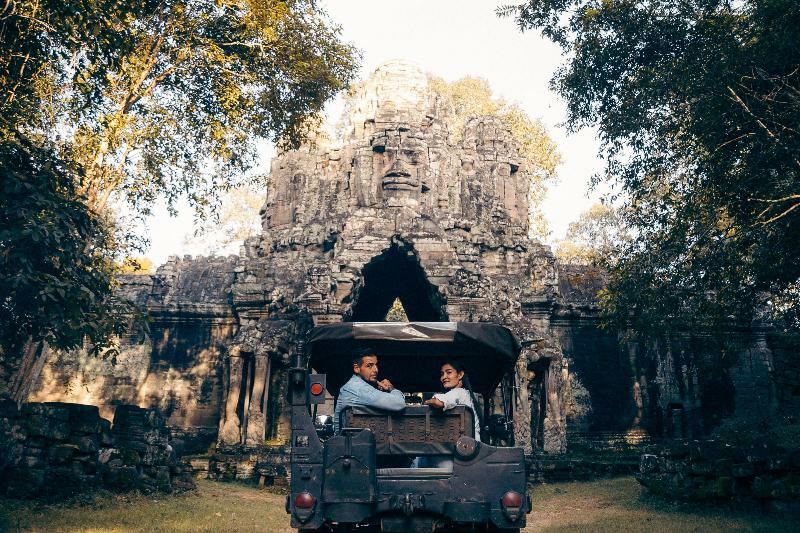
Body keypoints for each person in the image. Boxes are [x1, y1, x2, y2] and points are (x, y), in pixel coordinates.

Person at [333, 347, 406, 434]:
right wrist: (391, 388)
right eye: (369, 366)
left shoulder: (355, 385)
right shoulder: (358, 388)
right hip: (348, 444)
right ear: (356, 368)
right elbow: (399, 404)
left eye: (376, 365)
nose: (375, 370)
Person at [424, 360, 482, 440]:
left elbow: (438, 402)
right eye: (442, 374)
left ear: (460, 374)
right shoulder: (465, 393)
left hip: (466, 446)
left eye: (449, 372)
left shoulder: (459, 392)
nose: (444, 377)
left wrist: (426, 402)